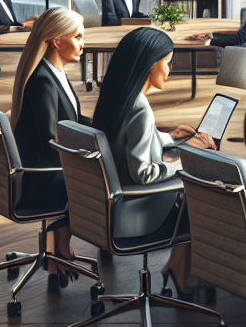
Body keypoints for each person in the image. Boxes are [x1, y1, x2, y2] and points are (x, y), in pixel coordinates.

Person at [91, 26, 216, 296]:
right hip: (136, 211)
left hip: (109, 205)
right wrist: (183, 160)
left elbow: (127, 141)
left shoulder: (117, 97)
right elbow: (144, 174)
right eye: (167, 63)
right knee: (203, 193)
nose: (170, 70)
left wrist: (170, 138)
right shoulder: (140, 108)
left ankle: (176, 266)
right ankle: (183, 273)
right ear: (150, 65)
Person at [10, 7, 88, 277]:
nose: (83, 43)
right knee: (98, 180)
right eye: (77, 37)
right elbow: (49, 141)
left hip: (47, 170)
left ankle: (56, 249)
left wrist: (109, 129)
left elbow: (72, 120)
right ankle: (60, 249)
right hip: (40, 177)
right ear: (57, 41)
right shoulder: (43, 80)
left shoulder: (55, 73)